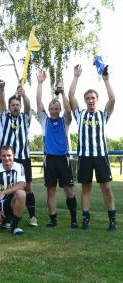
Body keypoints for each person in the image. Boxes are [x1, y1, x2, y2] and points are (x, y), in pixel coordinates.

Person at [68, 64, 116, 231]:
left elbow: (113, 100)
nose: (90, 101)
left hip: (101, 156)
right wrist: (75, 77)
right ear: (85, 101)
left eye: (92, 98)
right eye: (87, 98)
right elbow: (70, 96)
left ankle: (112, 221)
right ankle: (86, 219)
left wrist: (106, 80)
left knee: (106, 188)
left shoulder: (103, 115)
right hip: (85, 157)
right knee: (86, 188)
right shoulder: (80, 114)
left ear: (97, 100)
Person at [36, 71, 77, 228]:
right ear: (49, 109)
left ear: (59, 109)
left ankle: (74, 219)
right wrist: (40, 83)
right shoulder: (44, 120)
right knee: (51, 191)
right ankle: (53, 220)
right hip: (49, 159)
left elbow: (68, 110)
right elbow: (38, 101)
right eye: (51, 108)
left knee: (69, 190)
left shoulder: (65, 121)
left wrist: (62, 92)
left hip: (63, 158)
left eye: (56, 108)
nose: (54, 110)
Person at [0, 83, 37, 227]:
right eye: (13, 105)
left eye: (17, 105)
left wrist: (24, 95)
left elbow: (28, 106)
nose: (15, 107)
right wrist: (2, 89)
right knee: (9, 186)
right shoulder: (4, 117)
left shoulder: (25, 118)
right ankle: (9, 217)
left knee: (27, 187)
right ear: (9, 107)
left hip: (23, 158)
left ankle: (33, 217)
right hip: (8, 158)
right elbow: (1, 104)